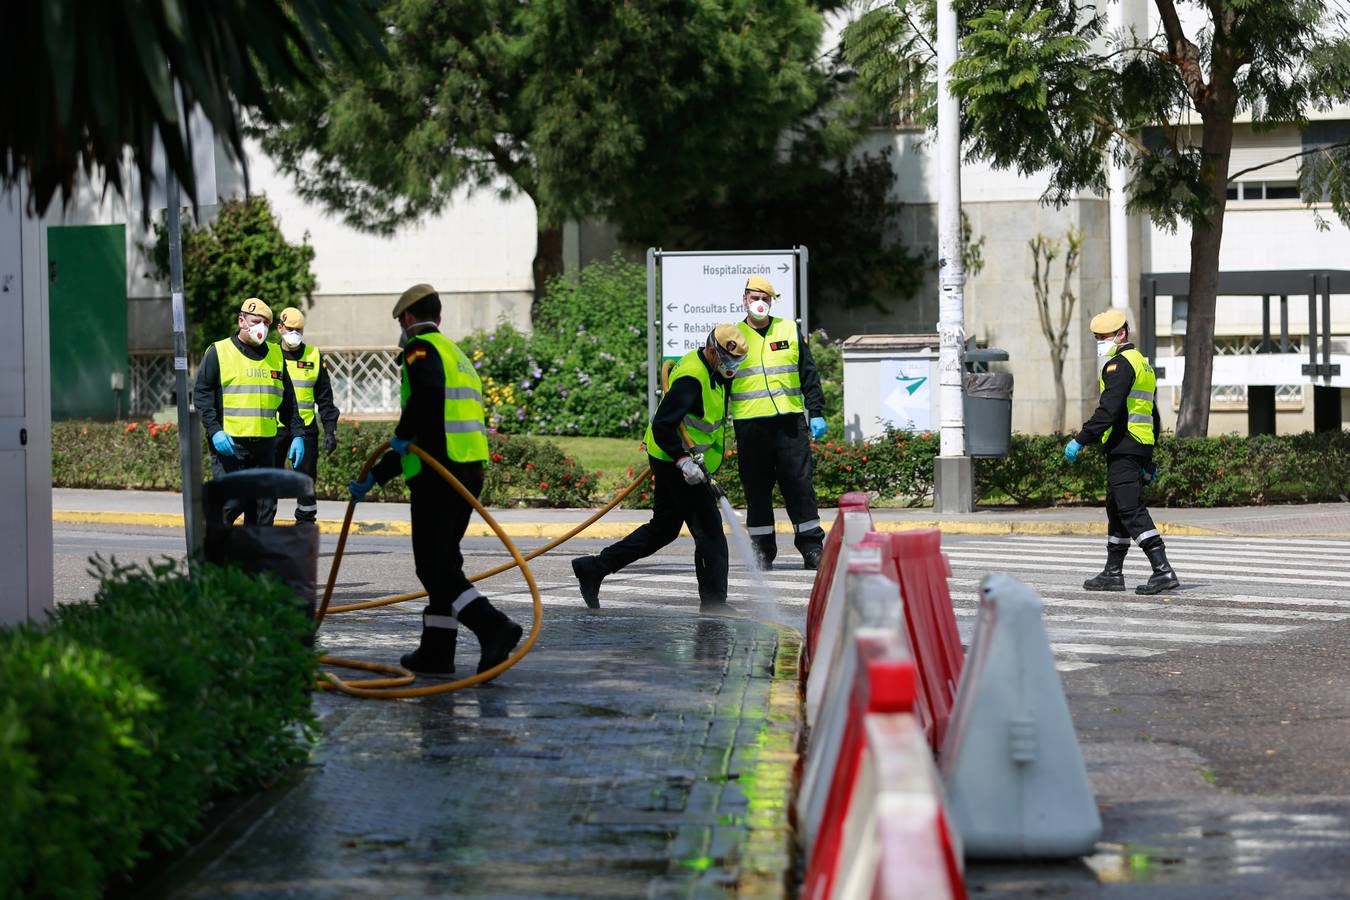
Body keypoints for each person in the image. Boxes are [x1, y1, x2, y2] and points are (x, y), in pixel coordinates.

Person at [347, 284, 522, 678]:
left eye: (401, 322)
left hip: (439, 477)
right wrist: (377, 474)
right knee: (442, 561)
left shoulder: (419, 349)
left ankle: (493, 626)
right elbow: (428, 433)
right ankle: (437, 652)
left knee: (434, 566)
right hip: (465, 469)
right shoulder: (456, 354)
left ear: (408, 318)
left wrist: (403, 433)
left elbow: (425, 403)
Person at [571, 325, 748, 612]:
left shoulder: (715, 371)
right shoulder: (692, 378)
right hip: (675, 462)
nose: (732, 368)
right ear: (713, 351)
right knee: (710, 533)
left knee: (663, 530)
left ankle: (593, 568)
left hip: (678, 461)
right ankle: (714, 604)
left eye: (737, 363)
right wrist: (682, 460)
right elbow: (664, 423)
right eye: (729, 361)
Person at [1064, 308, 1180, 595]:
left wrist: (1081, 438)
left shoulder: (1119, 365)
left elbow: (1109, 410)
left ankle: (1162, 570)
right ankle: (1112, 573)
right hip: (1136, 444)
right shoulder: (1142, 363)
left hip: (1124, 444)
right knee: (1116, 510)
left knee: (1130, 510)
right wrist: (1148, 457)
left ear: (1122, 333)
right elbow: (1150, 412)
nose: (1100, 342)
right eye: (1097, 338)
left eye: (1104, 337)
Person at [730, 275, 829, 570]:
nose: (759, 303)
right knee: (757, 489)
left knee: (799, 485)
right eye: (754, 297)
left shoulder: (788, 328)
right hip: (750, 424)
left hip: (789, 421)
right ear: (744, 299)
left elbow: (807, 372)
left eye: (765, 299)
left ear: (771, 302)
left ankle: (812, 547)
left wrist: (817, 410)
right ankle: (762, 552)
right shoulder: (732, 336)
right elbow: (720, 381)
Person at [194, 297, 306, 526]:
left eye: (266, 323)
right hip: (231, 446)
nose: (261, 328)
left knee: (263, 510)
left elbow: (289, 401)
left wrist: (298, 434)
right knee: (232, 503)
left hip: (265, 446)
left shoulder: (276, 355)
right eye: (256, 321)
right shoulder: (219, 351)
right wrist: (214, 430)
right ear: (241, 321)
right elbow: (202, 395)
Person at [273, 307, 341, 523]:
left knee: (306, 485)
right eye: (290, 329)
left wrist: (330, 430)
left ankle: (304, 529)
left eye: (299, 330)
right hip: (275, 429)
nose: (295, 334)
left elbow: (325, 398)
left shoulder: (313, 355)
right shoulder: (269, 355)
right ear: (280, 328)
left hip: (305, 430)